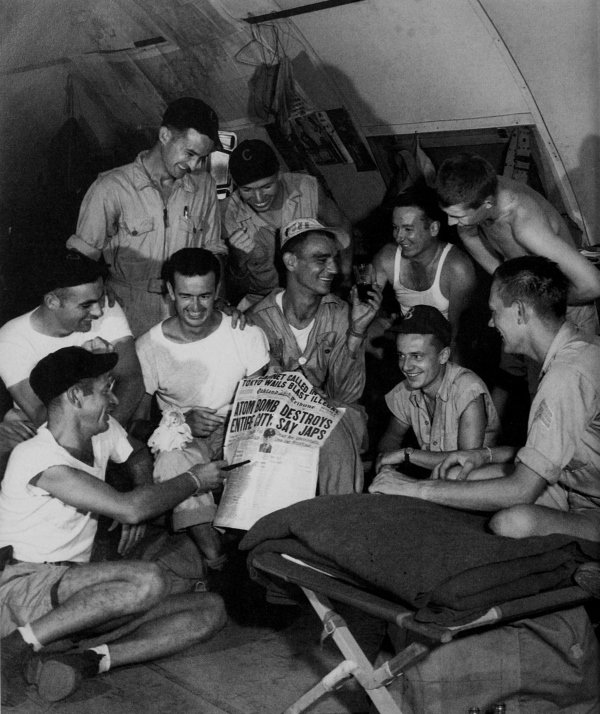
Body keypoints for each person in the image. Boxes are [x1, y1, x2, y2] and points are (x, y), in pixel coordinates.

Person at [0, 346, 227, 707]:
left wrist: (141, 489)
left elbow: (137, 456)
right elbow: (129, 510)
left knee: (210, 608)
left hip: (72, 600)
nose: (116, 399)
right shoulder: (35, 458)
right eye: (106, 389)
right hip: (21, 588)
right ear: (76, 396)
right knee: (147, 580)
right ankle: (13, 647)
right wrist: (194, 480)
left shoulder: (103, 431)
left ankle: (86, 660)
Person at [370, 256, 600, 543]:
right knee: (454, 477)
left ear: (519, 311)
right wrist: (485, 454)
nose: (491, 323)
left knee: (511, 523)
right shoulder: (576, 346)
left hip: (591, 505)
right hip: (571, 487)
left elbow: (521, 491)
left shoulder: (565, 375)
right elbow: (553, 449)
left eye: (494, 312)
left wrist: (412, 488)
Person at [134, 248, 269, 585]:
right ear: (170, 292)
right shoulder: (149, 346)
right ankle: (216, 558)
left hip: (242, 433)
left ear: (217, 290)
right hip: (186, 440)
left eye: (205, 296)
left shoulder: (245, 333)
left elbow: (265, 401)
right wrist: (183, 422)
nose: (195, 307)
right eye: (186, 296)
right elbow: (135, 425)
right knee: (170, 462)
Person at [67, 97, 227, 336]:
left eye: (201, 158)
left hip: (185, 311)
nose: (194, 166)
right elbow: (80, 259)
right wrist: (97, 292)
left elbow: (214, 250)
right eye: (190, 153)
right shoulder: (111, 187)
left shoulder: (204, 186)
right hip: (126, 310)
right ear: (165, 135)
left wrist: (218, 301)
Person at [248, 218, 382, 494]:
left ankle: (339, 511)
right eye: (321, 260)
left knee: (340, 421)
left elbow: (347, 396)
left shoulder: (341, 314)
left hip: (335, 422)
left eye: (334, 259)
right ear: (291, 262)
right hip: (279, 429)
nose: (334, 269)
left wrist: (357, 331)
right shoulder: (257, 321)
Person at [0, 250, 144, 476]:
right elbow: (43, 415)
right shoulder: (11, 339)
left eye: (99, 299)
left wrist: (106, 436)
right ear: (52, 301)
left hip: (104, 426)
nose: (98, 311)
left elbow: (132, 380)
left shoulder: (107, 307)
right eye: (86, 305)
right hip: (49, 436)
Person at [221, 139, 353, 307]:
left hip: (313, 293)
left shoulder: (307, 188)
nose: (259, 199)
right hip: (261, 301)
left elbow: (342, 225)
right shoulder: (227, 213)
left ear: (279, 174)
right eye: (247, 190)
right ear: (235, 183)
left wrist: (346, 276)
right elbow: (234, 290)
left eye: (266, 187)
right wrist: (237, 260)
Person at [376, 305, 499, 475]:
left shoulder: (468, 390)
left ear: (443, 356)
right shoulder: (406, 389)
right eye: (401, 355)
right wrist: (387, 467)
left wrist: (406, 455)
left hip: (473, 484)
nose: (406, 366)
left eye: (416, 356)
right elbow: (391, 439)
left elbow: (464, 464)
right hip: (437, 481)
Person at [372, 185, 477, 363]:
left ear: (433, 228)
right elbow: (363, 304)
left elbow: (456, 336)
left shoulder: (457, 268)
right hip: (405, 345)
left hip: (443, 349)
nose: (398, 237)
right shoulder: (387, 258)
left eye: (408, 229)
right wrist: (377, 317)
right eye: (395, 227)